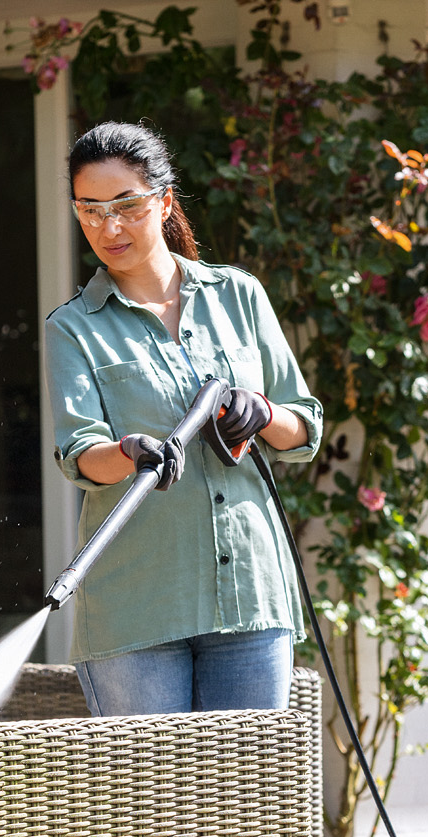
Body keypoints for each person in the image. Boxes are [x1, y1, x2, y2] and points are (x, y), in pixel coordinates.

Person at [46, 121, 324, 716]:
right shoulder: (73, 327)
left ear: (164, 201)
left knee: (248, 805)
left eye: (126, 205)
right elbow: (80, 453)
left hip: (249, 597)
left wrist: (263, 411)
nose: (109, 226)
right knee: (151, 808)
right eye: (90, 211)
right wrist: (127, 453)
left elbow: (303, 429)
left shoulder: (240, 297)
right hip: (134, 609)